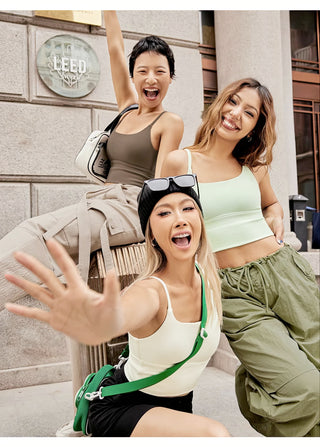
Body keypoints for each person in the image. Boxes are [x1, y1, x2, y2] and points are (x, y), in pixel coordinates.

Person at [5, 174, 230, 437]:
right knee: (215, 434)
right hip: (122, 406)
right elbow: (122, 314)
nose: (180, 218)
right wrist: (100, 323)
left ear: (200, 221)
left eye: (188, 208)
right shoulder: (150, 291)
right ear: (152, 235)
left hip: (176, 409)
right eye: (164, 213)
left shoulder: (209, 278)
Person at [161, 78, 320, 437]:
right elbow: (160, 222)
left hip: (285, 275)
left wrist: (276, 215)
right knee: (306, 390)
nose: (235, 114)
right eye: (232, 102)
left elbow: (272, 203)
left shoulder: (253, 167)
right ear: (219, 103)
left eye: (249, 112)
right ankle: (258, 385)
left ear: (255, 127)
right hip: (231, 290)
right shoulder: (179, 161)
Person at [0, 11, 183, 310]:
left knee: (45, 234)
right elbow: (114, 49)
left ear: (170, 78)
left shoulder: (169, 122)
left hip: (131, 206)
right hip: (102, 200)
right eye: (143, 71)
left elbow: (159, 186)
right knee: (35, 231)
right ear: (133, 75)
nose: (151, 79)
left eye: (160, 72)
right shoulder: (127, 108)